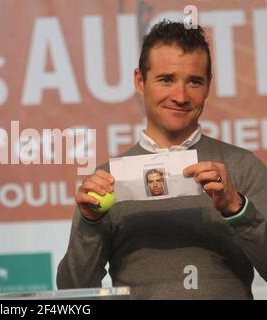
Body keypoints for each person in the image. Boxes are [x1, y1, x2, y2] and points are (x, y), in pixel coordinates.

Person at [57, 20, 267, 299]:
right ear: (140, 81)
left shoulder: (241, 167)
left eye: (194, 81)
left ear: (208, 86)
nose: (180, 96)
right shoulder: (108, 179)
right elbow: (73, 291)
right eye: (166, 79)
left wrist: (237, 209)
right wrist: (89, 223)